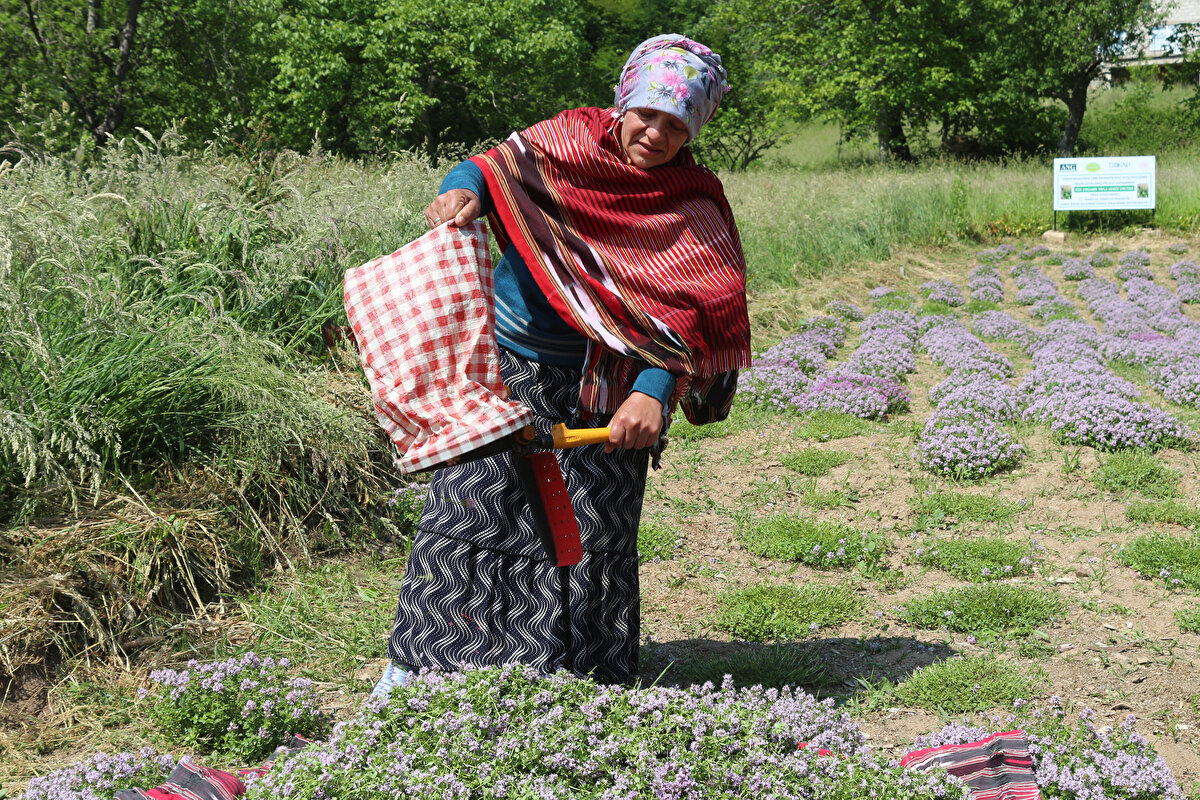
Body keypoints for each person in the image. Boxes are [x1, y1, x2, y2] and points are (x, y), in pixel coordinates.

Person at [373, 34, 750, 694]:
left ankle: (571, 687)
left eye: (675, 123)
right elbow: (487, 169)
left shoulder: (692, 203)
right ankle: (417, 680)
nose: (656, 134)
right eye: (647, 115)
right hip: (506, 369)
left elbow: (696, 313)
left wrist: (655, 391)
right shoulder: (566, 143)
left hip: (614, 393)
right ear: (624, 102)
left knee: (582, 533)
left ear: (694, 128)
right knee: (470, 515)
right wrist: (459, 194)